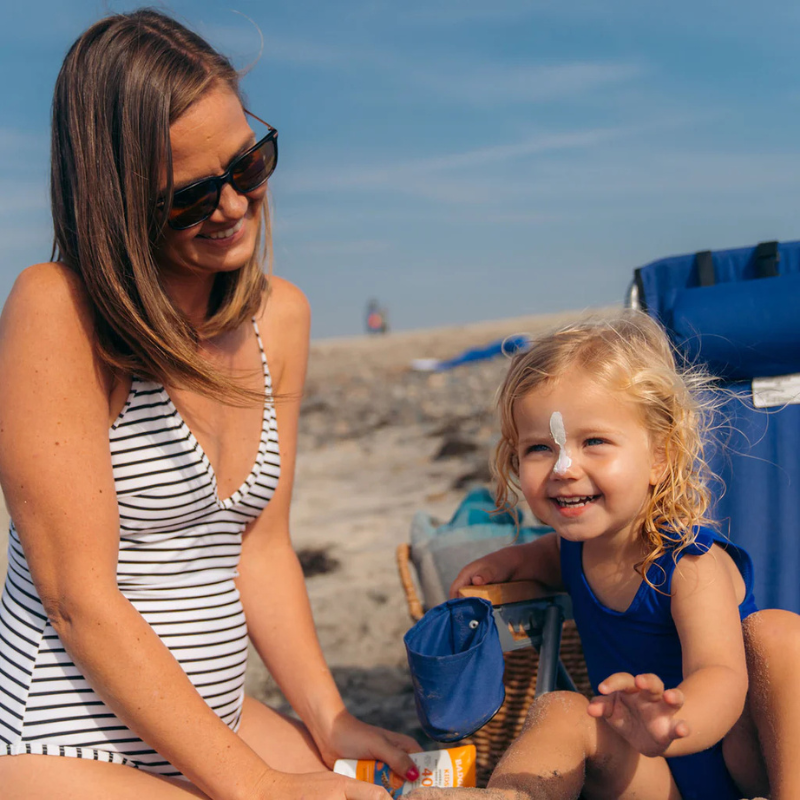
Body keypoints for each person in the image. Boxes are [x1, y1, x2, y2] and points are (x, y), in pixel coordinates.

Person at [0, 9, 419, 799]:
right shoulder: (58, 310)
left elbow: (260, 549)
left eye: (248, 165)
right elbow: (77, 598)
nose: (231, 206)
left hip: (213, 724)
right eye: (187, 197)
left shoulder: (279, 317)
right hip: (61, 743)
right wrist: (264, 789)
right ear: (115, 204)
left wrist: (327, 720)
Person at [408, 312, 800, 800]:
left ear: (659, 457)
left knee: (778, 634)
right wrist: (507, 565)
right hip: (651, 776)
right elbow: (544, 558)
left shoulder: (688, 565)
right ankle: (507, 796)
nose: (564, 468)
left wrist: (674, 720)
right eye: (538, 448)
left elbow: (721, 676)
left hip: (742, 764)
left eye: (593, 442)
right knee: (562, 709)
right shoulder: (572, 550)